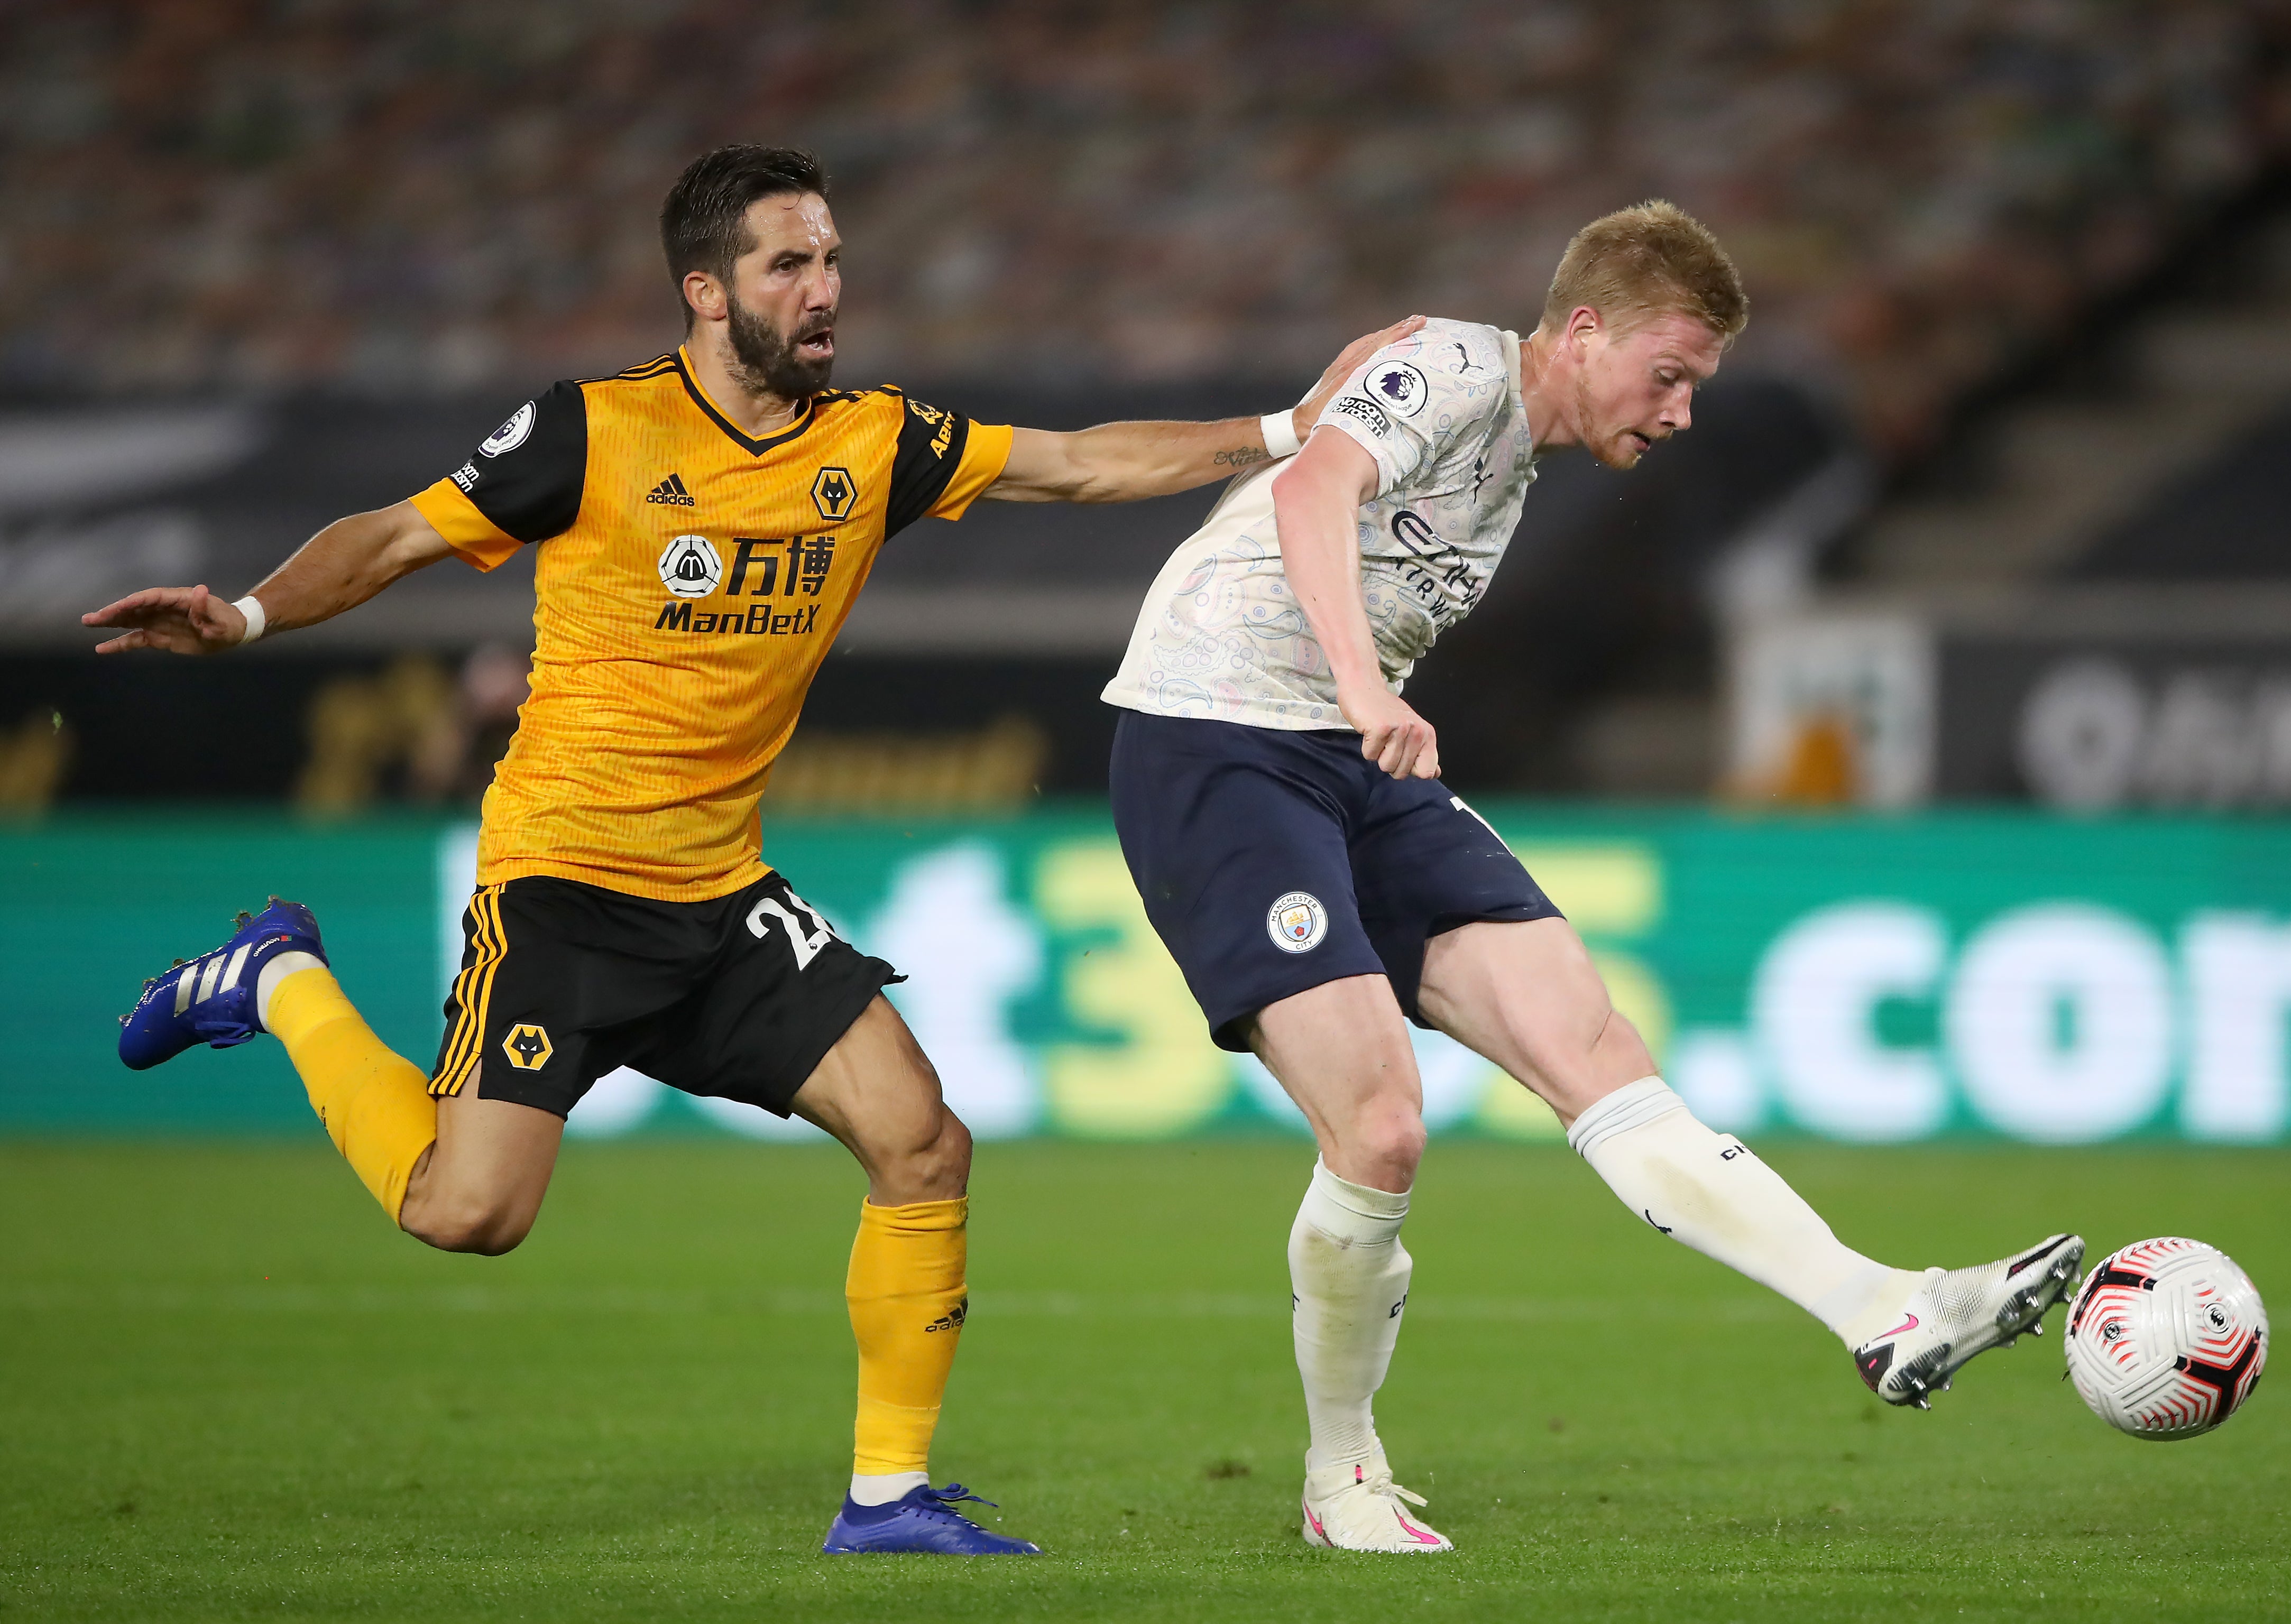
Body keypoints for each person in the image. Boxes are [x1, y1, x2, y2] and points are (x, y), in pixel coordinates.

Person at [85, 143, 1415, 1559]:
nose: (826, 289)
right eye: (791, 263)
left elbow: (1081, 466)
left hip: (723, 899)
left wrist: (1286, 429)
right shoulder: (587, 433)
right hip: (564, 888)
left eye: (834, 258)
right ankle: (277, 978)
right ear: (707, 293)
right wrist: (242, 617)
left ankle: (889, 1499)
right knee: (467, 1214)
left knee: (922, 1139)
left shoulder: (873, 441)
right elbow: (394, 537)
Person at [1101, 200, 2083, 1553]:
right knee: (1381, 1131)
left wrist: (1360, 704)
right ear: (1579, 331)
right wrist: (1356, 682)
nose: (1679, 413)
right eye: (1667, 374)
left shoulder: (1515, 458)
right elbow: (1316, 488)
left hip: (1353, 753)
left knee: (1594, 1039)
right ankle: (1343, 1480)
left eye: (1697, 387)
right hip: (1218, 738)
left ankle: (1884, 1310)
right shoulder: (1452, 363)